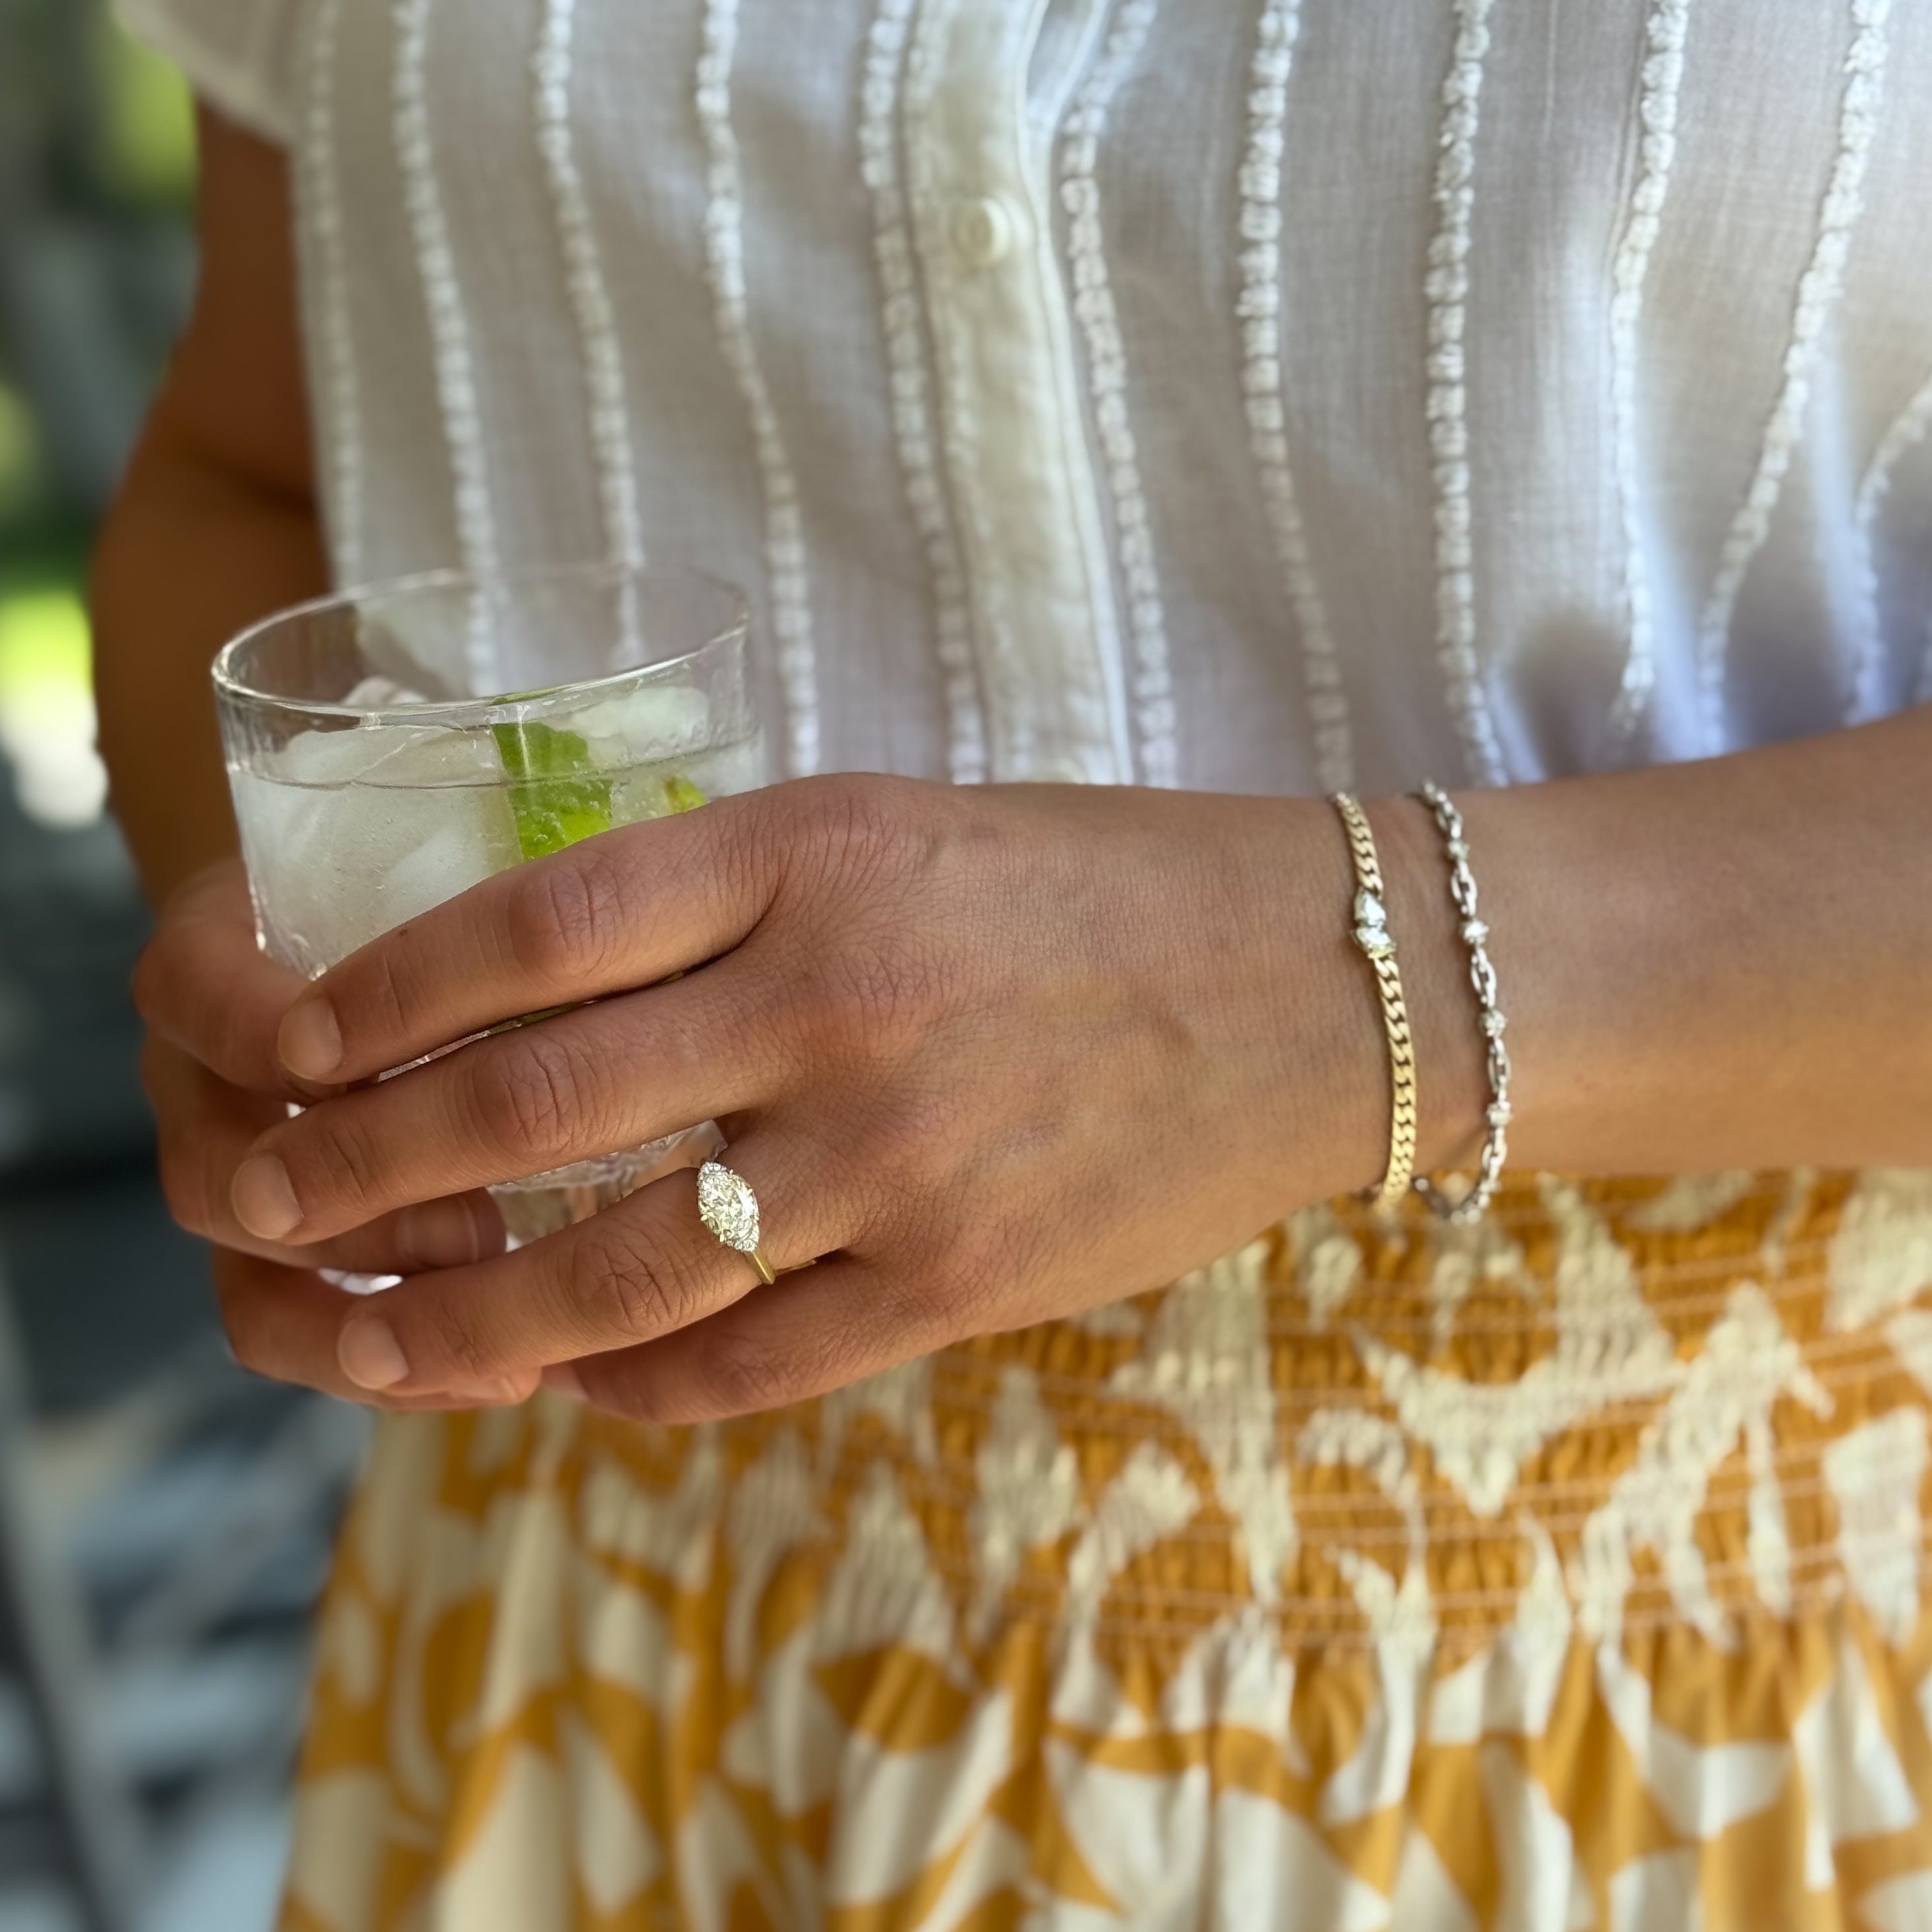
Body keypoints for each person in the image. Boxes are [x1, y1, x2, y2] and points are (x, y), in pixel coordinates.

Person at [94, 0, 1932, 1925]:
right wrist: (298, 935)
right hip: (621, 1649)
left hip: (1683, 1687)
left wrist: (1340, 985)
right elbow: (247, 471)